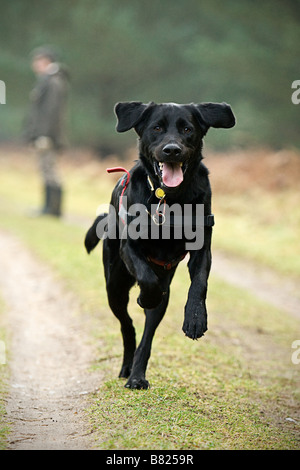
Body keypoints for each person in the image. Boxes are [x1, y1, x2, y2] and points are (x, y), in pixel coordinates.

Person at [24, 46, 69, 217]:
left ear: (46, 61)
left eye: (37, 61)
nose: (34, 65)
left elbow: (51, 113)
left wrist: (45, 135)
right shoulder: (48, 80)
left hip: (48, 135)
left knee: (50, 170)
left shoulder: (53, 82)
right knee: (46, 169)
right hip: (45, 134)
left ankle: (53, 209)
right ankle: (48, 207)